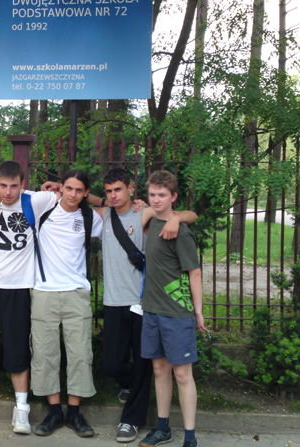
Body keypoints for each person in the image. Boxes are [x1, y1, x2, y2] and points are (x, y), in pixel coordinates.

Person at [97, 168, 198, 443]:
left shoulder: (144, 213)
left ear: (131, 188)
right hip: (113, 301)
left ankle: (131, 420)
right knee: (111, 364)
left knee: (145, 366)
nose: (113, 195)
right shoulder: (104, 214)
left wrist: (176, 218)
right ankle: (130, 385)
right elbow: (80, 199)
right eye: (109, 191)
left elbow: (191, 215)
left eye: (118, 189)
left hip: (142, 302)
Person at [0, 160, 58, 434]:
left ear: (23, 184)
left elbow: (68, 193)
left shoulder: (34, 200)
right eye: (3, 186)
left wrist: (58, 185)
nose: (8, 192)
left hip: (18, 287)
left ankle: (21, 406)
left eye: (14, 186)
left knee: (17, 348)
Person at [31, 169, 103, 438]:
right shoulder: (43, 208)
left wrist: (99, 201)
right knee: (45, 353)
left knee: (80, 354)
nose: (73, 194)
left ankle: (74, 412)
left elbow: (120, 212)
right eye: (69, 188)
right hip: (44, 292)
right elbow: (9, 192)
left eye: (79, 190)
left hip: (76, 292)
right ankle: (53, 412)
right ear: (61, 187)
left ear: (86, 193)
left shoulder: (90, 217)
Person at [138, 170, 206, 447]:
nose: (156, 200)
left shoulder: (180, 232)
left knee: (182, 374)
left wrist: (198, 312)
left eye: (162, 195)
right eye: (152, 194)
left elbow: (195, 273)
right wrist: (176, 215)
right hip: (152, 309)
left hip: (177, 313)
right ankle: (162, 428)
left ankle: (190, 437)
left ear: (173, 197)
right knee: (159, 370)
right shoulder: (151, 220)